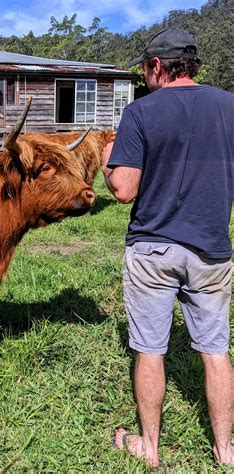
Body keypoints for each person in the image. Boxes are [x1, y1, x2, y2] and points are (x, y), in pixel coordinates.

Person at [102, 28, 233, 468]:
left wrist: (107, 164)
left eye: (144, 70)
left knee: (150, 350)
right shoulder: (230, 107)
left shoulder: (140, 112)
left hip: (153, 250)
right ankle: (225, 449)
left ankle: (150, 448)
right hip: (212, 249)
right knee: (216, 351)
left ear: (157, 65)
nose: (144, 78)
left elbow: (123, 189)